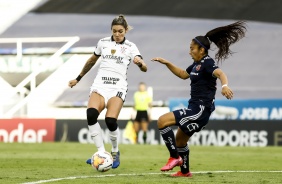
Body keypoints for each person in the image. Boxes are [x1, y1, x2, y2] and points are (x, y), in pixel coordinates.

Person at [151, 21, 247, 177]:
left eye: (192, 48)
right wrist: (167, 63)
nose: (189, 51)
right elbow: (183, 74)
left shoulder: (208, 63)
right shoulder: (196, 64)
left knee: (162, 121)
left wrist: (224, 86)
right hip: (194, 108)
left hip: (200, 109)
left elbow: (220, 73)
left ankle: (175, 157)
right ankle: (185, 172)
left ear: (202, 50)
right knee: (180, 140)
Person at [68, 14, 147, 169]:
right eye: (114, 31)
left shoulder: (131, 47)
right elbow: (91, 61)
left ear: (125, 31)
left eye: (120, 31)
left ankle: (115, 151)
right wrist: (78, 78)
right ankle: (101, 153)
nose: (117, 34)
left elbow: (145, 68)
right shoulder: (103, 43)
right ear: (111, 30)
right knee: (91, 114)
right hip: (100, 85)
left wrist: (140, 63)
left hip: (118, 87)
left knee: (110, 120)